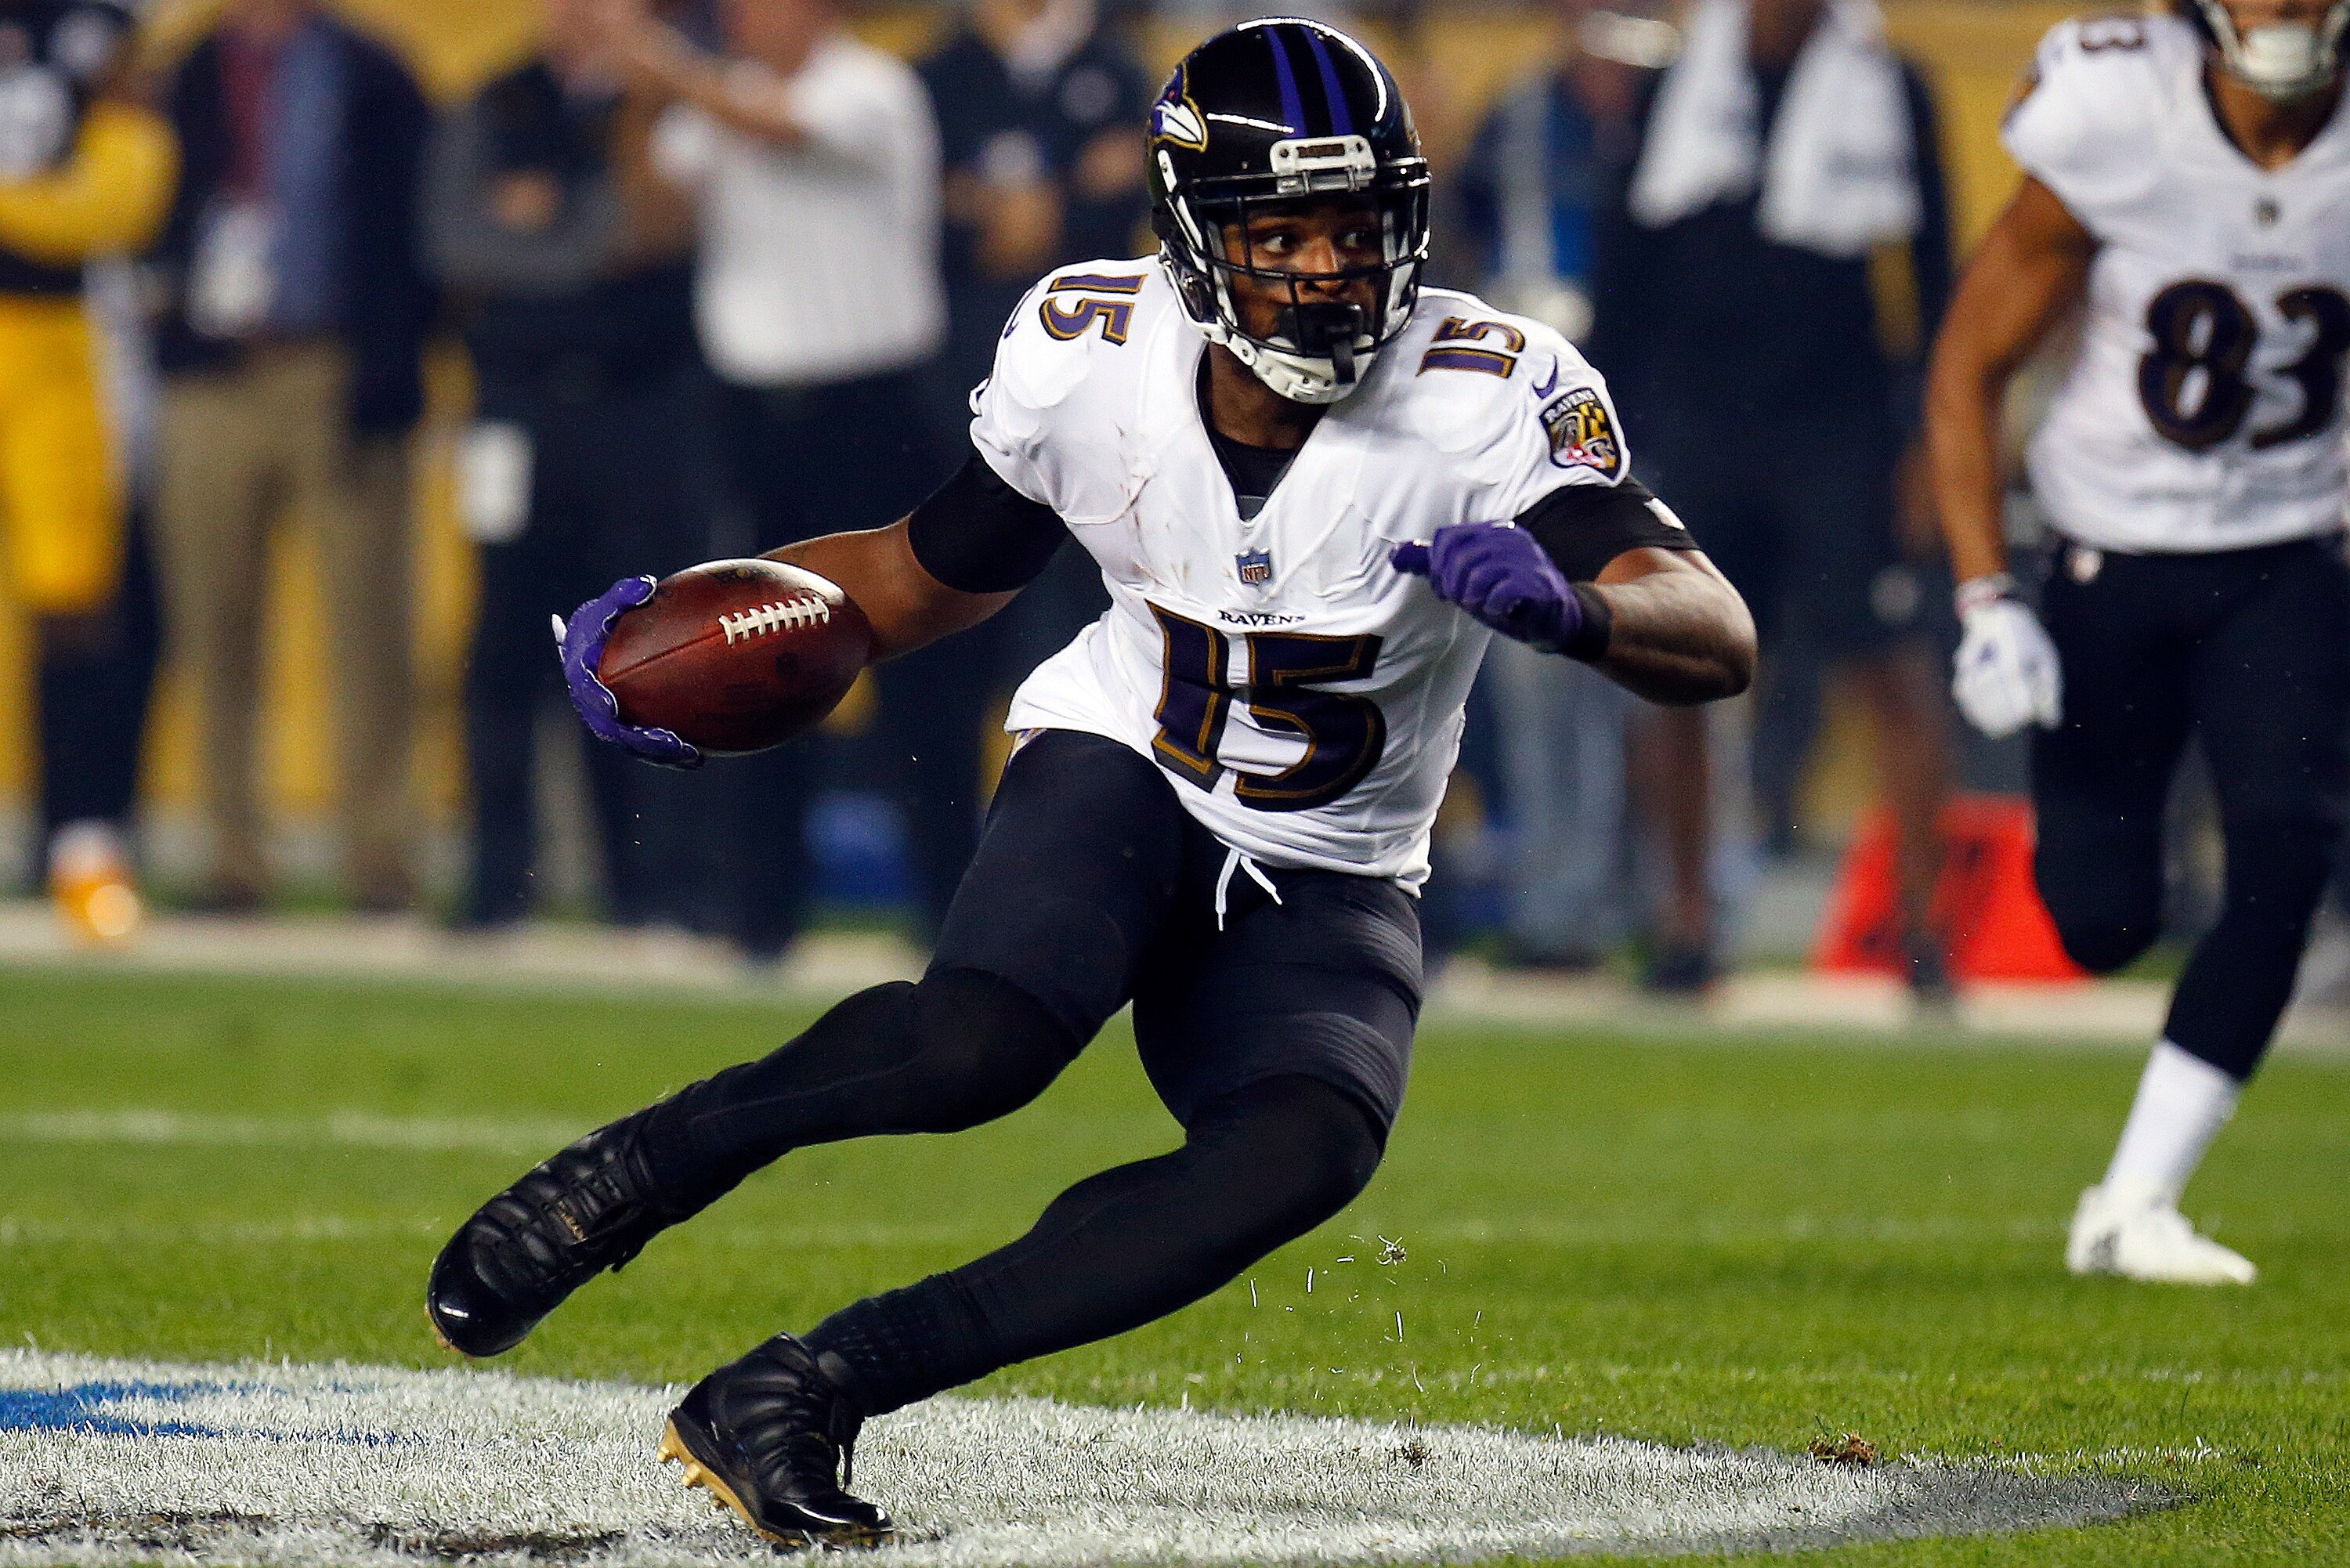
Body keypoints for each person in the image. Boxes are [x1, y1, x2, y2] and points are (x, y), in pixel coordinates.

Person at [425, 20, 1753, 1543]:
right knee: (977, 1042)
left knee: (1304, 1147)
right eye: (1284, 232)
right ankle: (626, 1175)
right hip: (1129, 759)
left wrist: (1578, 607)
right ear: (1197, 241)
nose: (1327, 270)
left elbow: (1713, 630)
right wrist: (711, 616)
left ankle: (808, 1384)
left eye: (1355, 226)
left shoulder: (1493, 389)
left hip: (1334, 853)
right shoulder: (1092, 353)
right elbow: (919, 578)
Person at [1927, 0, 2350, 1284]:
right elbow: (1967, 363)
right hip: (2110, 554)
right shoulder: (2123, 108)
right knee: (2101, 920)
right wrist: (1987, 596)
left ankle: (2133, 1200)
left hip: (2286, 551)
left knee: (2287, 849)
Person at [1590, 0, 1955, 993]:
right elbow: (1628, 264)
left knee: (1889, 664)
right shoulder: (1681, 79)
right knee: (1675, 673)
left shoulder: (1888, 80)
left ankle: (1925, 932)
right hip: (1702, 423)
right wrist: (1594, 438)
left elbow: (1931, 270)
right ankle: (1688, 921)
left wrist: (1931, 438)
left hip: (1841, 429)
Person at [593, 0, 947, 958]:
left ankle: (949, 905)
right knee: (748, 663)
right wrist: (638, 105)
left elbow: (782, 133)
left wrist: (662, 67)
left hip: (869, 405)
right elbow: (652, 220)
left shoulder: (872, 88)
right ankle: (759, 915)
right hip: (754, 412)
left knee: (917, 661)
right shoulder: (719, 98)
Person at [425, 0, 714, 930]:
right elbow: (453, 241)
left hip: (638, 411)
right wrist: (579, 247)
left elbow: (651, 235)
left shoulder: (674, 103)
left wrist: (544, 233)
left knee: (632, 648)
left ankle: (643, 883)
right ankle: (497, 880)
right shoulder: (497, 101)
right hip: (514, 408)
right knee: (503, 643)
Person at [147, 0, 434, 912]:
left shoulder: (371, 71)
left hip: (333, 368)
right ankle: (231, 856)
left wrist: (388, 367)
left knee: (369, 629)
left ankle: (380, 857)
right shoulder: (190, 68)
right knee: (214, 624)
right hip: (213, 373)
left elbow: (411, 227)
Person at [1455, 0, 1662, 968]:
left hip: (1656, 430)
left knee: (1662, 676)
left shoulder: (1681, 120)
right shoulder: (1522, 116)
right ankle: (1557, 908)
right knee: (1537, 675)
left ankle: (1675, 905)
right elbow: (1456, 235)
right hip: (1533, 431)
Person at [0, 0, 175, 942]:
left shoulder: (96, 24)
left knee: (76, 602)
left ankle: (79, 849)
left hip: (55, 345)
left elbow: (123, 196)